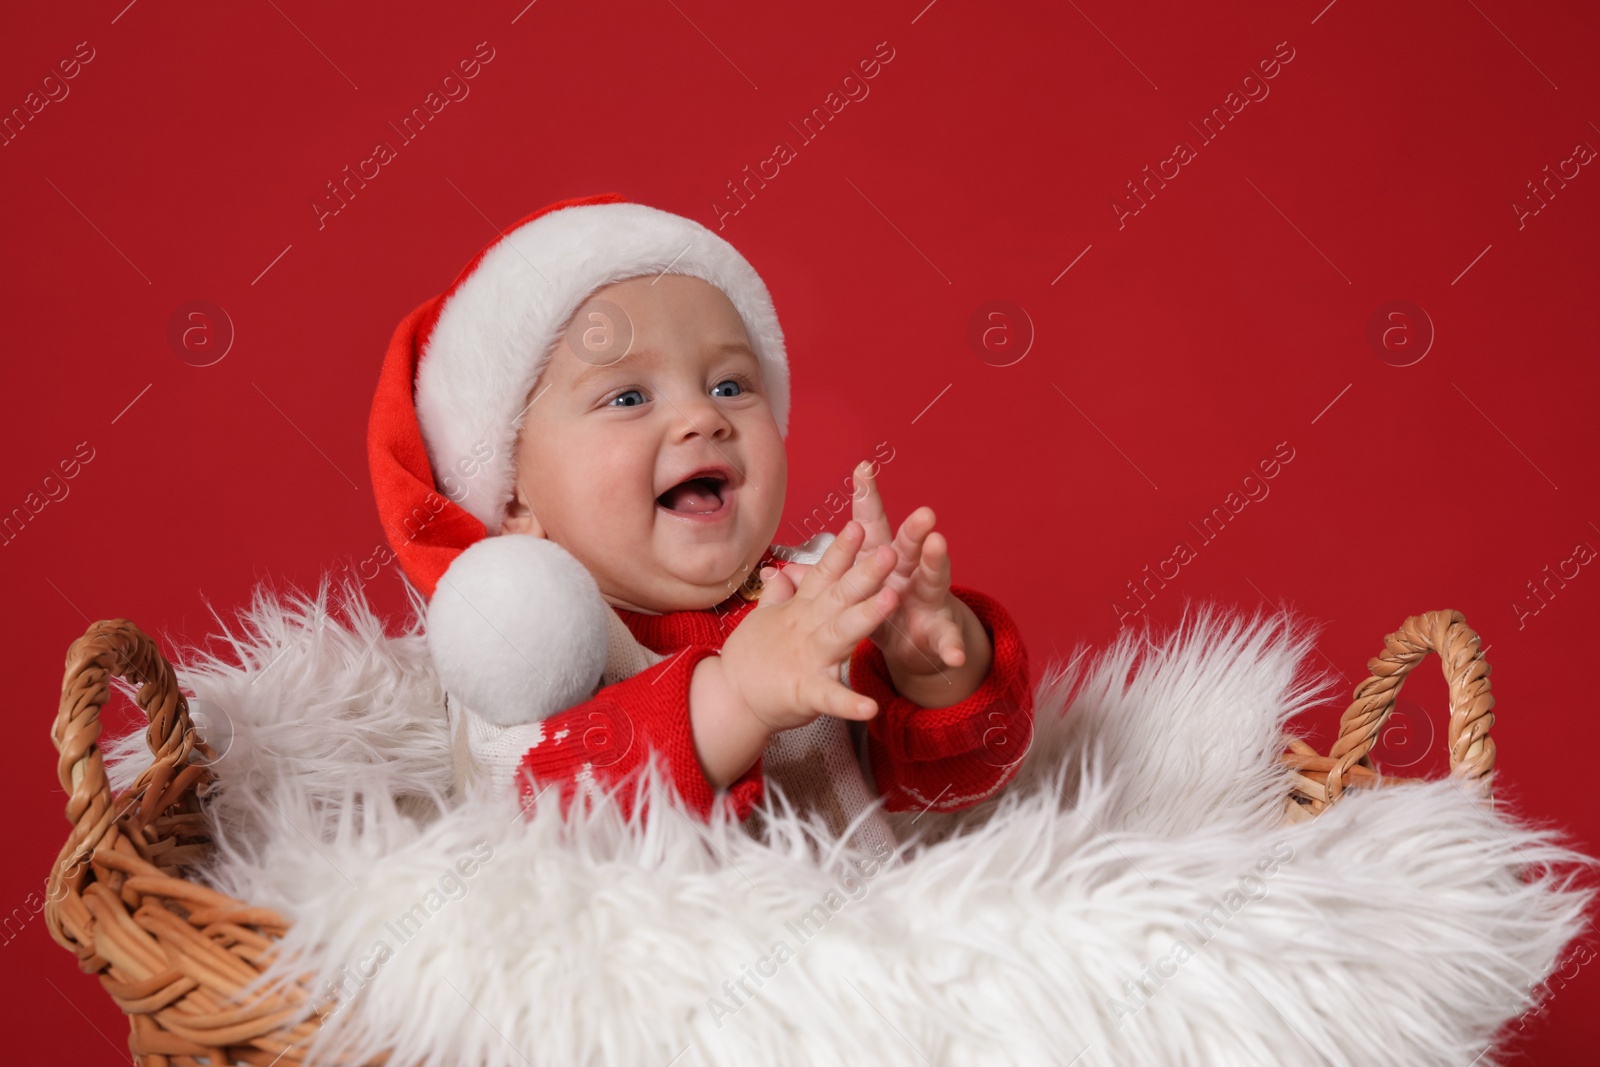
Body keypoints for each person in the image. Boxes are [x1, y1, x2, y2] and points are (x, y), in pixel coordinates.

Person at [368, 194, 1034, 842]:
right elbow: (524, 809)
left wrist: (936, 672)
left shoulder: (819, 592)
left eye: (730, 386)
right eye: (628, 396)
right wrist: (734, 698)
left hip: (856, 947)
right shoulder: (522, 637)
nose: (702, 417)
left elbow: (959, 789)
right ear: (514, 498)